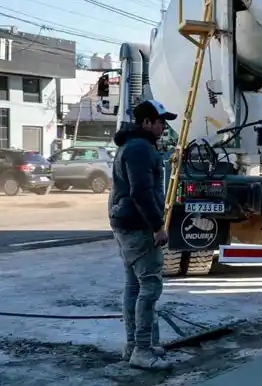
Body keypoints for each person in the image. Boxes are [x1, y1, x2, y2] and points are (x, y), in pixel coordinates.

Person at [109, 100, 177, 371]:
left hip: (124, 222)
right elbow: (141, 192)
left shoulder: (132, 145)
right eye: (160, 121)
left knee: (134, 287)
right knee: (149, 288)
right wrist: (157, 227)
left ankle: (134, 345)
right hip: (137, 226)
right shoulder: (139, 149)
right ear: (147, 122)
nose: (163, 126)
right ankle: (142, 349)